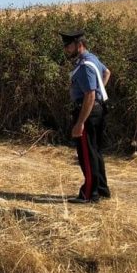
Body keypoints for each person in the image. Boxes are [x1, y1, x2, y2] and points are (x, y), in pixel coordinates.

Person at [60, 30, 112, 203]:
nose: (66, 49)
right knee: (95, 152)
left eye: (68, 45)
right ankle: (102, 189)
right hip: (98, 109)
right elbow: (107, 73)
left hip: (87, 112)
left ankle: (89, 194)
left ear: (78, 44)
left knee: (87, 155)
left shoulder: (84, 66)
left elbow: (89, 94)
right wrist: (100, 91)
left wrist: (80, 122)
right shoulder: (93, 59)